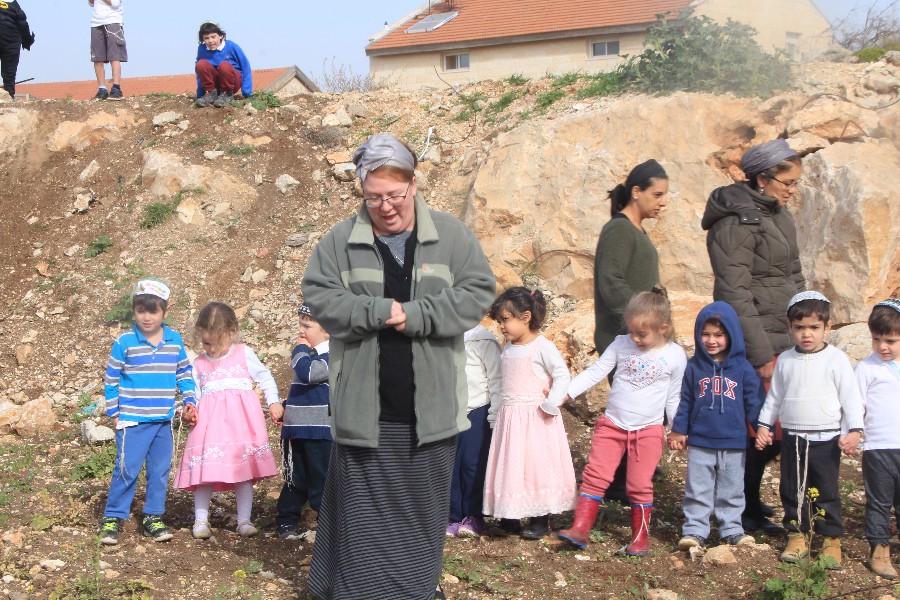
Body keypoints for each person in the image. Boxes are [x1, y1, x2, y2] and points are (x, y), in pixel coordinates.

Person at [301, 133, 495, 600]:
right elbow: (320, 297)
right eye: (373, 197)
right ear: (362, 192)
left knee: (421, 514)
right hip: (365, 411)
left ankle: (415, 589)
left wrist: (419, 316)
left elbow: (477, 293)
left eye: (395, 195)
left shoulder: (450, 235)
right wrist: (376, 311)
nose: (385, 206)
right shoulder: (340, 240)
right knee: (362, 516)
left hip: (430, 412)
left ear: (413, 185)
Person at [703, 137, 805, 535]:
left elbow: (793, 273)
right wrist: (761, 353)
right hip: (756, 341)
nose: (793, 190)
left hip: (785, 334)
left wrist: (806, 320)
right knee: (755, 432)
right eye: (788, 182)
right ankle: (739, 508)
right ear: (763, 178)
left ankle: (746, 499)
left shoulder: (777, 214)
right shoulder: (734, 223)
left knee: (776, 431)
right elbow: (734, 292)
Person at [558, 291, 686, 555]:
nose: (636, 339)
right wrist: (567, 392)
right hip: (613, 424)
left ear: (663, 328)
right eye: (632, 332)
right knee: (595, 476)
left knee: (639, 484)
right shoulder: (620, 344)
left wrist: (677, 428)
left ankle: (640, 538)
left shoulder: (675, 356)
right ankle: (580, 528)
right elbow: (596, 371)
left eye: (642, 334)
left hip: (649, 429)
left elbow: (674, 396)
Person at [755, 291, 864, 568]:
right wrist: (765, 425)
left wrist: (853, 430)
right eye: (800, 327)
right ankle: (797, 535)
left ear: (827, 327)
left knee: (825, 489)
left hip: (826, 439)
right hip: (792, 437)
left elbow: (850, 396)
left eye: (814, 327)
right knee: (792, 488)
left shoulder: (836, 359)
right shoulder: (786, 361)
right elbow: (775, 397)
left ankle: (831, 540)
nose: (807, 334)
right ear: (790, 327)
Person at [593, 159, 669, 502]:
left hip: (642, 337)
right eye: (657, 194)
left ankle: (631, 472)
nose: (663, 201)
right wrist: (645, 320)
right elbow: (611, 285)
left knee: (643, 407)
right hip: (624, 337)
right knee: (628, 410)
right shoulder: (619, 230)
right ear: (636, 192)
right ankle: (617, 481)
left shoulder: (637, 230)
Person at [98, 279, 195, 545]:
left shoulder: (174, 340)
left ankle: (153, 516)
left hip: (163, 419)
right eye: (141, 310)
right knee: (126, 469)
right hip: (132, 420)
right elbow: (111, 378)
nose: (147, 317)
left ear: (166, 309)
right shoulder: (125, 342)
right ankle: (113, 517)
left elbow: (184, 373)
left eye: (153, 311)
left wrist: (190, 399)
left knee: (160, 470)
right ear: (134, 310)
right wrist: (114, 412)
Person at [173, 301, 280, 539]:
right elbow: (194, 394)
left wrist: (273, 401)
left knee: (243, 472)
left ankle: (244, 521)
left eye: (216, 343)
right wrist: (189, 409)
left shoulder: (244, 353)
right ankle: (200, 521)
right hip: (210, 428)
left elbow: (265, 376)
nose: (211, 349)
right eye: (206, 343)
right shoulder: (199, 364)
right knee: (205, 471)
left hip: (241, 427)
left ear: (232, 333)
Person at [482, 287, 575, 540]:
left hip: (536, 419)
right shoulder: (508, 348)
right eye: (499, 320)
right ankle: (510, 517)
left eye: (506, 319)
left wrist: (551, 404)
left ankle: (539, 518)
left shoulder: (542, 347)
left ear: (525, 317)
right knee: (511, 465)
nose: (502, 326)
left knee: (535, 466)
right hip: (511, 419)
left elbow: (562, 375)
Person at [668, 302, 761, 549]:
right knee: (698, 489)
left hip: (733, 441)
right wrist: (679, 429)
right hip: (701, 440)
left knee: (731, 489)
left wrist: (762, 427)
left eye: (718, 335)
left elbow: (753, 401)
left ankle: (731, 529)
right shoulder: (694, 367)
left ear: (731, 335)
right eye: (705, 334)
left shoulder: (742, 368)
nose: (711, 340)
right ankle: (695, 530)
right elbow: (685, 399)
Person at [274, 302, 331, 540]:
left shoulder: (332, 354)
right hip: (296, 428)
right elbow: (302, 391)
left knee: (320, 478)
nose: (301, 331)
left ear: (328, 330)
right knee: (294, 477)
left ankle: (327, 524)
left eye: (307, 326)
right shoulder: (308, 355)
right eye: (300, 325)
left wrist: (298, 351)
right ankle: (286, 521)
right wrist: (286, 406)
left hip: (319, 429)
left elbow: (310, 375)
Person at [856, 299, 900, 579]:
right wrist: (853, 432)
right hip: (878, 447)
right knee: (880, 501)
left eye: (891, 340)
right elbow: (855, 405)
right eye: (876, 339)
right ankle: (879, 549)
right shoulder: (866, 368)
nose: (882, 346)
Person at [446, 323, 501, 538]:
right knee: (451, 464)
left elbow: (497, 379)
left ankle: (474, 515)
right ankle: (453, 515)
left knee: (473, 464)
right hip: (450, 410)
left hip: (477, 408)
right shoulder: (443, 334)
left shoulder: (483, 340)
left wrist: (494, 415)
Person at [194, 22, 252, 108]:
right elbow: (200, 73)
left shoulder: (231, 46)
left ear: (221, 36)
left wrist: (247, 92)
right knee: (200, 64)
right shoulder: (202, 49)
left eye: (213, 37)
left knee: (224, 66)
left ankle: (227, 95)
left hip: (231, 81)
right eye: (206, 38)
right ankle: (211, 94)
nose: (210, 41)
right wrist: (200, 93)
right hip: (215, 83)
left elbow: (245, 66)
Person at [89, 0, 126, 101]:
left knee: (114, 56)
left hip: (113, 21)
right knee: (97, 58)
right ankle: (102, 89)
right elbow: (91, 3)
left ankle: (116, 89)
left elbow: (114, 3)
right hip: (96, 23)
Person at [0, 0, 34, 99]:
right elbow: (23, 24)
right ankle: (9, 97)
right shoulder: (14, 5)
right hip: (11, 41)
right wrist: (27, 40)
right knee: (9, 74)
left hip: (11, 41)